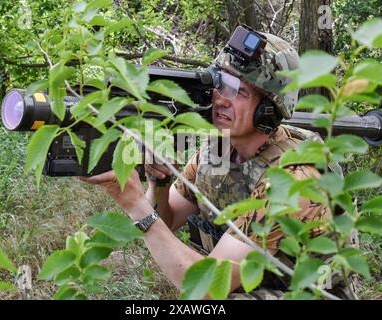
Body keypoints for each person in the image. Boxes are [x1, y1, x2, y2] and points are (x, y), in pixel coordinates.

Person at [81, 26, 350, 299]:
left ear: (268, 108)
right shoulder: (220, 150)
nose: (220, 99)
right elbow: (169, 219)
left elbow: (206, 288)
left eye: (238, 91)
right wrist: (158, 182)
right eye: (219, 83)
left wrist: (135, 203)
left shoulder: (294, 180)